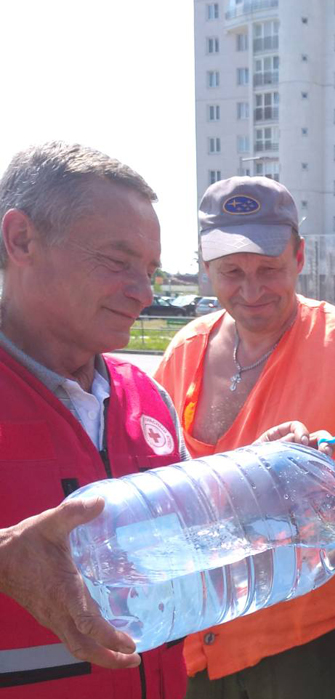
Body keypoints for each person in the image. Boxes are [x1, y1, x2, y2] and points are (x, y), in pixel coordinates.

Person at [153, 176, 335, 699]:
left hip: (305, 644)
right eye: (231, 271)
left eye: (269, 269)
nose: (251, 290)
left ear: (299, 257)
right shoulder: (182, 352)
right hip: (195, 639)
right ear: (207, 270)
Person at [0, 141, 188, 698]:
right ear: (21, 240)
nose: (145, 292)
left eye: (150, 269)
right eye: (117, 261)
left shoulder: (147, 398)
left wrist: (263, 473)